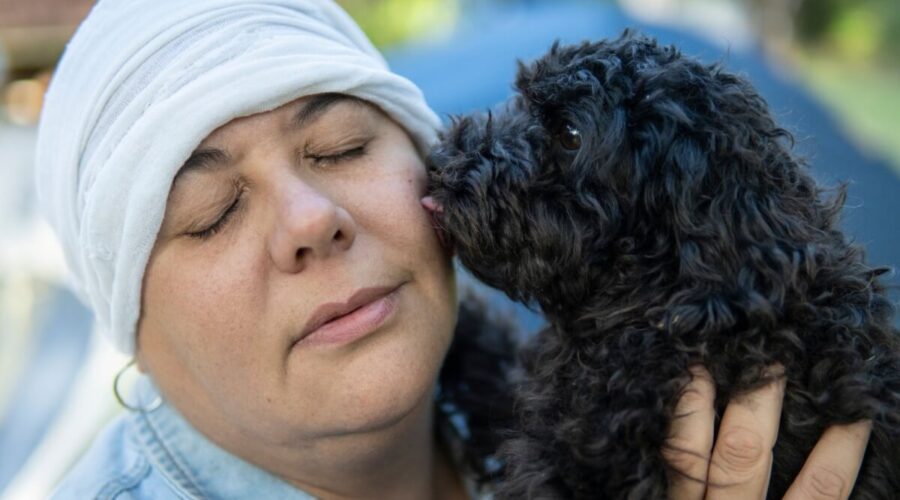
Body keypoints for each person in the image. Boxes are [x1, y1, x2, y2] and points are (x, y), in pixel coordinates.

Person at [35, 0, 871, 498]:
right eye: (212, 212)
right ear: (133, 325)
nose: (309, 219)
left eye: (340, 148)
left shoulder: (575, 363)